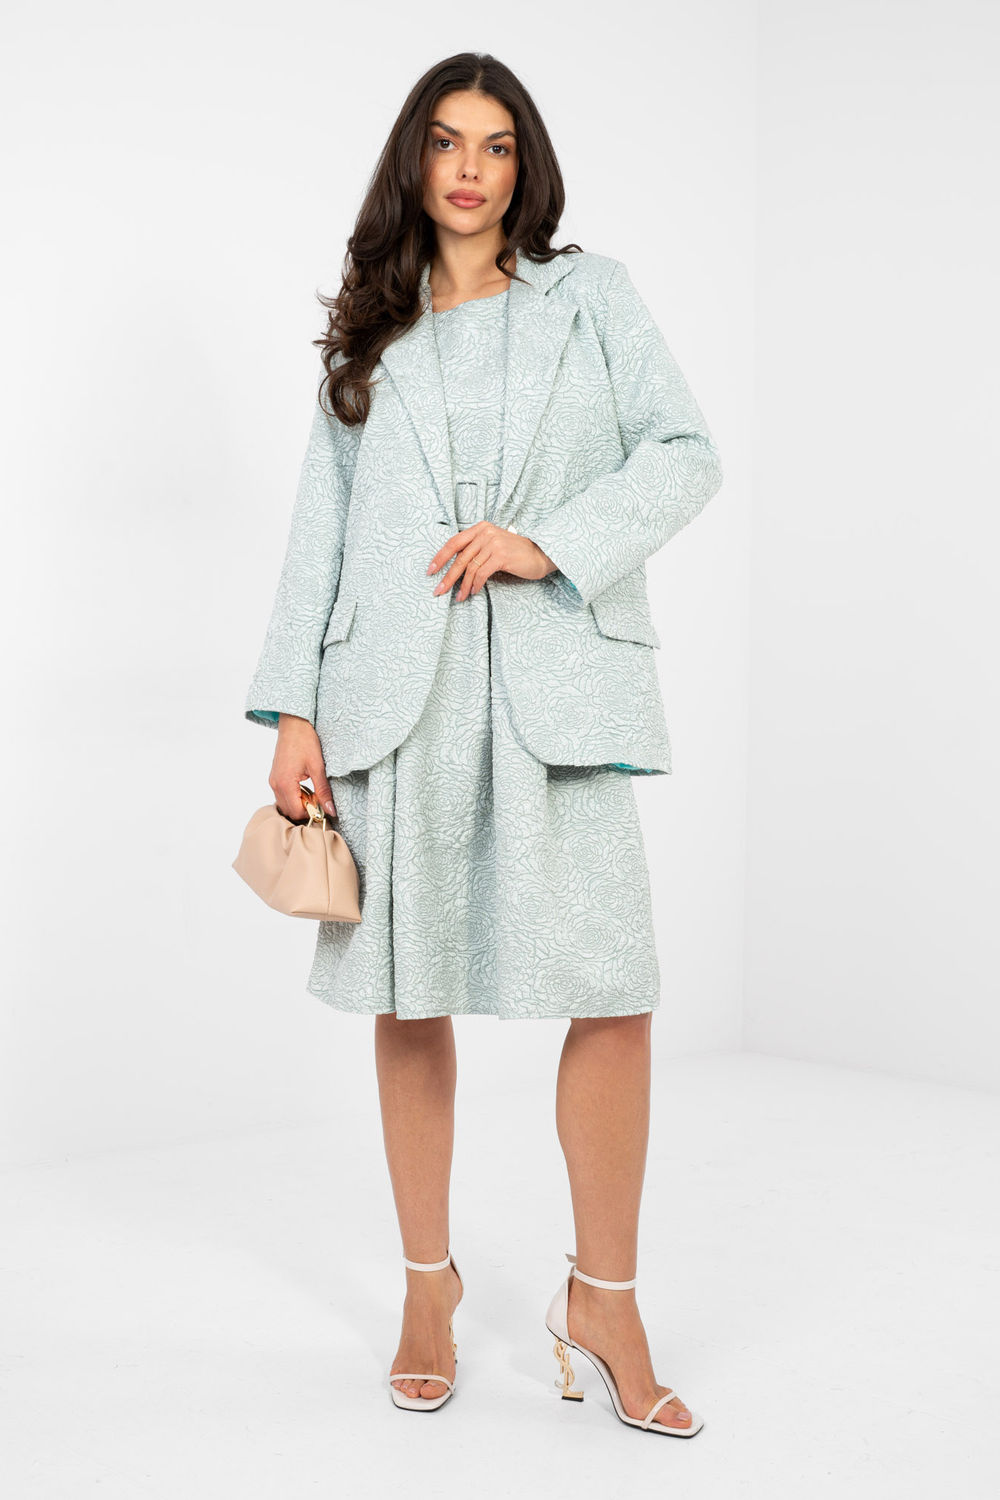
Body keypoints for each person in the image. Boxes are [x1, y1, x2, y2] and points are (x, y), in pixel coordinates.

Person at [242, 52, 722, 1435]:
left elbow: (684, 452)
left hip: (560, 688)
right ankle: (427, 1286)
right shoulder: (370, 336)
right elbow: (320, 531)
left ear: (526, 167)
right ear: (416, 161)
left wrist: (545, 542)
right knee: (410, 997)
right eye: (447, 142)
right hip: (396, 696)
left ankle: (606, 1300)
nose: (469, 168)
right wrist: (293, 706)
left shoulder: (592, 299)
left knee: (613, 990)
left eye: (497, 145)